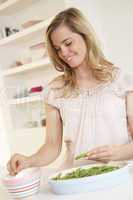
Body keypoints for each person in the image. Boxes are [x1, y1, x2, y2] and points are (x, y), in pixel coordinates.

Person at [7, 7, 133, 176]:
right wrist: (29, 160)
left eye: (68, 43)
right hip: (77, 177)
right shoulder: (55, 91)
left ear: (86, 36)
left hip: (120, 174)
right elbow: (52, 146)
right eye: (57, 49)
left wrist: (117, 153)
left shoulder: (122, 81)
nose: (64, 53)